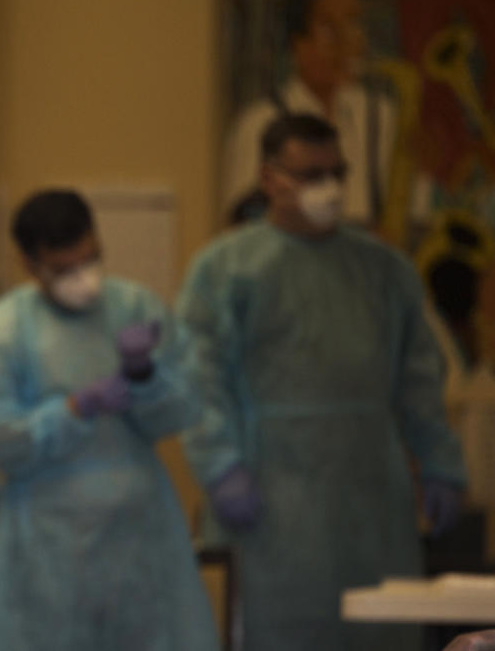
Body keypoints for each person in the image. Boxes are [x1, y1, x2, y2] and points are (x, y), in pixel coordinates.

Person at [175, 113, 467, 651]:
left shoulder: (385, 271)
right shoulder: (225, 270)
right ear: (269, 179)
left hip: (372, 503)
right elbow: (198, 378)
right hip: (271, 506)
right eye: (310, 174)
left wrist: (440, 461)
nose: (328, 188)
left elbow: (420, 377)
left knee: (379, 629)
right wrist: (221, 468)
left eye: (337, 172)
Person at [0, 190, 220, 651]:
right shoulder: (0, 335)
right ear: (29, 263)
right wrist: (72, 411)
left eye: (91, 259)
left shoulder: (135, 309)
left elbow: (185, 409)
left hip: (141, 536)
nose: (84, 279)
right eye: (64, 269)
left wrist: (147, 377)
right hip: (47, 546)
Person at [222, 0, 395, 225]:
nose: (348, 40)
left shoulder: (381, 114)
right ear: (298, 44)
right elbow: (241, 232)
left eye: (353, 23)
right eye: (328, 29)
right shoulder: (259, 124)